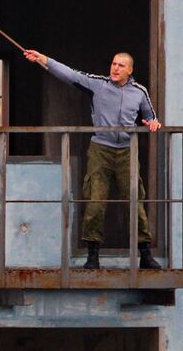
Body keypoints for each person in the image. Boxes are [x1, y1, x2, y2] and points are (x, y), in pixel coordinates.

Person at [22, 49, 163, 270]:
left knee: (135, 201)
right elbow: (70, 75)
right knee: (96, 201)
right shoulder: (99, 84)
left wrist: (153, 123)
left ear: (130, 70)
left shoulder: (139, 91)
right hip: (101, 149)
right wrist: (44, 59)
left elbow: (150, 116)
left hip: (127, 150)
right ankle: (92, 255)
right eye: (113, 64)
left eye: (120, 65)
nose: (115, 68)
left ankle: (144, 253)